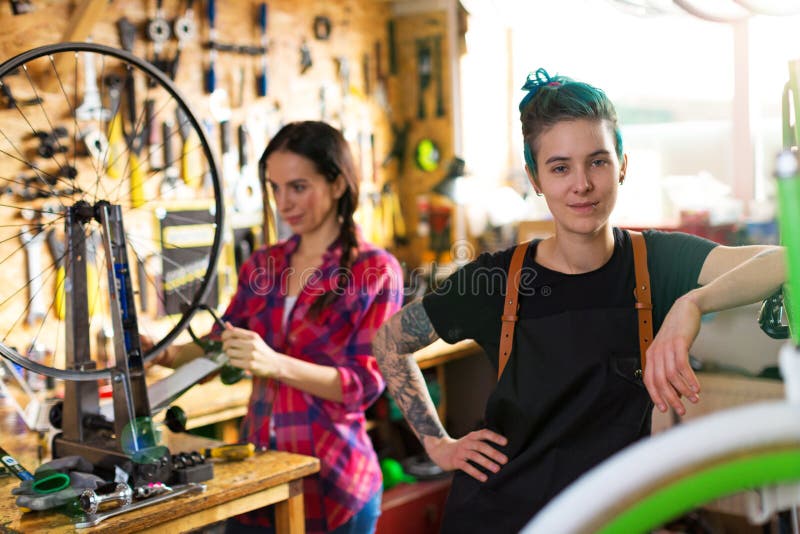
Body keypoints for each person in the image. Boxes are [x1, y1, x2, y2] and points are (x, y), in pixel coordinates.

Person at [372, 68, 786, 533]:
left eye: (598, 161)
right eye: (560, 167)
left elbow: (784, 261)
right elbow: (389, 342)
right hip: (502, 517)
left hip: (605, 519)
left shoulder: (659, 261)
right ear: (535, 178)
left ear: (623, 164)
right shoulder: (496, 280)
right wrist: (437, 443)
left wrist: (694, 303)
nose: (582, 184)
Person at [157, 121, 404, 533]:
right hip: (258, 483)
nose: (284, 202)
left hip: (334, 487)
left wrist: (275, 363)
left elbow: (364, 385)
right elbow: (219, 350)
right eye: (275, 188)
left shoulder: (375, 271)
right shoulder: (262, 264)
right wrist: (160, 352)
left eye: (298, 186)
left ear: (338, 184)